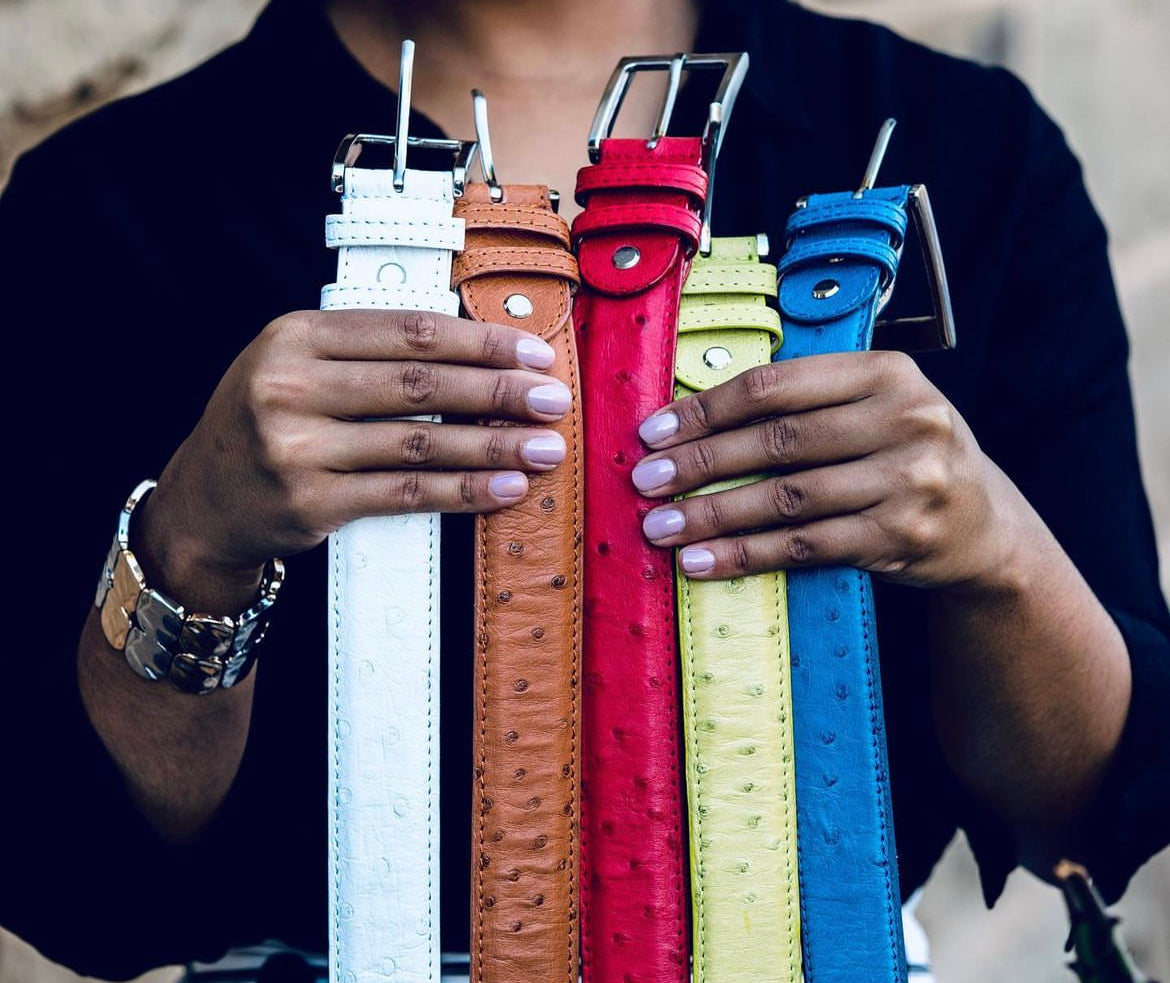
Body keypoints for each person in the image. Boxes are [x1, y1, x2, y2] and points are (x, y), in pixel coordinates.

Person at [1, 0, 1167, 977]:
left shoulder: (966, 149)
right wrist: (191, 544)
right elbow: (77, 881)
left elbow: (1092, 804)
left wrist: (995, 550)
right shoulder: (103, 209)